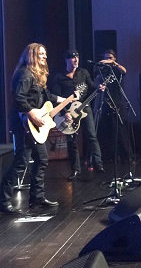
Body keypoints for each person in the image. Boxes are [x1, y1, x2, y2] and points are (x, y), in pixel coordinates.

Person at [1, 43, 75, 214]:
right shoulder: (24, 74)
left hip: (35, 126)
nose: (45, 57)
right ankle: (3, 200)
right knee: (21, 162)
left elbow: (47, 97)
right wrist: (31, 114)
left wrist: (66, 99)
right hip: (23, 124)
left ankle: (37, 198)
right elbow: (18, 98)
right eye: (41, 54)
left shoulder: (37, 76)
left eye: (45, 54)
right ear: (32, 55)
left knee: (41, 159)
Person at [48, 49, 105, 180]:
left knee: (91, 135)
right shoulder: (58, 77)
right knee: (72, 140)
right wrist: (65, 112)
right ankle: (75, 169)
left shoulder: (83, 72)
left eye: (77, 57)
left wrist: (99, 89)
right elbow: (55, 98)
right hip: (67, 112)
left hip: (85, 109)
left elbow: (91, 87)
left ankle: (98, 165)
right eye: (73, 58)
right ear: (66, 60)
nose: (76, 60)